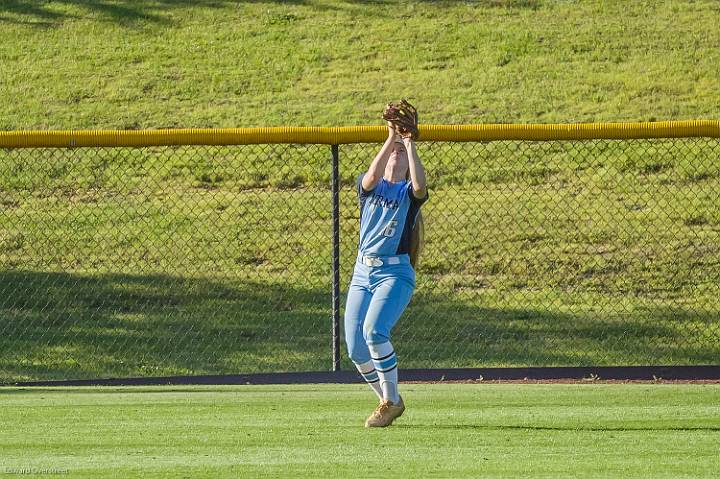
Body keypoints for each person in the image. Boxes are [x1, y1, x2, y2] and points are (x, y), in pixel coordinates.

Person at [343, 120, 429, 428]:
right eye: (392, 148)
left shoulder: (408, 192)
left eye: (400, 152)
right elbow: (369, 177)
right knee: (355, 346)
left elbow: (420, 186)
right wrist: (391, 137)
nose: (396, 152)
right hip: (362, 272)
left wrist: (409, 143)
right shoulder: (372, 187)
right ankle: (389, 399)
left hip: (394, 273)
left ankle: (390, 402)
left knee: (374, 332)